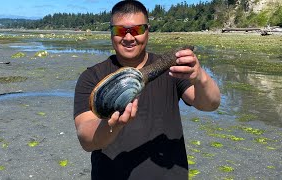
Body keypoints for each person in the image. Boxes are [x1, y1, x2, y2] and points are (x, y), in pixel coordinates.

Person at [74, 0, 220, 179]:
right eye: (120, 30)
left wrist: (200, 77)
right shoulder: (92, 77)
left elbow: (209, 104)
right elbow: (86, 139)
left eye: (137, 30)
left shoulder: (171, 70)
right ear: (111, 33)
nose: (128, 38)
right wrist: (113, 125)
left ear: (147, 31)